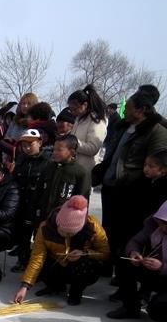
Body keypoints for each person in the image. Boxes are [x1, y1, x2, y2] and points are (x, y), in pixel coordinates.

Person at [94, 87, 167, 273]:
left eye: (129, 108)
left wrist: (135, 181)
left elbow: (156, 164)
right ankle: (107, 264)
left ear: (141, 110)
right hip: (111, 186)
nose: (125, 111)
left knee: (127, 233)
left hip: (132, 191)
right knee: (108, 228)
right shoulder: (123, 127)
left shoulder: (157, 131)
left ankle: (123, 272)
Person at [14, 196, 109, 306]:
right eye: (64, 231)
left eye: (72, 233)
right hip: (57, 262)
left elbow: (105, 253)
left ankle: (76, 291)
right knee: (33, 258)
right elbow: (37, 257)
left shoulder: (93, 227)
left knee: (85, 264)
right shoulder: (45, 228)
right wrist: (25, 286)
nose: (67, 235)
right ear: (58, 223)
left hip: (78, 267)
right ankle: (55, 286)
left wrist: (85, 253)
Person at [107, 200, 167, 321]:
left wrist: (162, 267)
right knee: (124, 261)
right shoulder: (154, 224)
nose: (163, 227)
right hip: (152, 270)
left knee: (156, 310)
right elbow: (135, 242)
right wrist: (134, 253)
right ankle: (130, 308)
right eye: (162, 222)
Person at [11, 129, 53, 272]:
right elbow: (15, 179)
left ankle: (39, 265)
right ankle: (23, 260)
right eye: (24, 145)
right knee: (23, 234)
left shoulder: (48, 161)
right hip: (22, 202)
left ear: (40, 142)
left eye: (31, 144)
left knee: (39, 236)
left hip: (39, 204)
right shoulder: (21, 159)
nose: (27, 148)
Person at [37, 135, 91, 224]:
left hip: (65, 221)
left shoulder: (80, 172)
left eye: (59, 150)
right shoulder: (48, 167)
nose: (55, 153)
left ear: (72, 152)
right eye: (54, 149)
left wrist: (80, 222)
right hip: (44, 218)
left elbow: (83, 201)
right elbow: (38, 193)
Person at [68, 85, 108, 173]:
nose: (73, 113)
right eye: (70, 110)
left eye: (75, 109)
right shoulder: (79, 119)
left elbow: (93, 148)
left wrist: (72, 143)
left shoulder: (96, 121)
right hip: (74, 167)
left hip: (86, 170)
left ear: (85, 105)